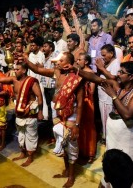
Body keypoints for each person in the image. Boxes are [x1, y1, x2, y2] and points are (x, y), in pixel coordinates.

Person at [23, 52, 83, 188]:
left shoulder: (76, 78)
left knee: (71, 145)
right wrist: (26, 61)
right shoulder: (56, 72)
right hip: (57, 113)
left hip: (71, 115)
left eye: (61, 60)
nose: (57, 62)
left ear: (68, 63)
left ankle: (72, 176)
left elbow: (80, 104)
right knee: (62, 143)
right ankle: (67, 170)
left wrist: (77, 124)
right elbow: (37, 70)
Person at [0, 62, 43, 167]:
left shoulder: (32, 81)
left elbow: (39, 96)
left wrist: (40, 112)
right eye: (15, 69)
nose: (15, 71)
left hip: (29, 113)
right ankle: (22, 153)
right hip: (19, 112)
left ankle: (30, 157)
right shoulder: (13, 80)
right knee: (21, 135)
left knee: (31, 136)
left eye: (17, 69)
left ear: (24, 70)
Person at [95, 44, 120, 145]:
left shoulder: (116, 63)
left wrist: (101, 68)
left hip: (109, 98)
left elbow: (114, 78)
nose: (103, 57)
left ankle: (110, 141)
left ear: (111, 53)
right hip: (103, 98)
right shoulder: (107, 63)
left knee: (109, 121)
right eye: (102, 55)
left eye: (104, 55)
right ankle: (106, 139)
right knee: (103, 119)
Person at [76, 53, 96, 163]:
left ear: (86, 62)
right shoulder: (77, 72)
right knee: (80, 126)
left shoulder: (91, 73)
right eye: (77, 59)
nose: (77, 61)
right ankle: (81, 151)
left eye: (79, 59)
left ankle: (90, 153)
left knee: (88, 127)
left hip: (87, 101)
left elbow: (92, 91)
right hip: (79, 101)